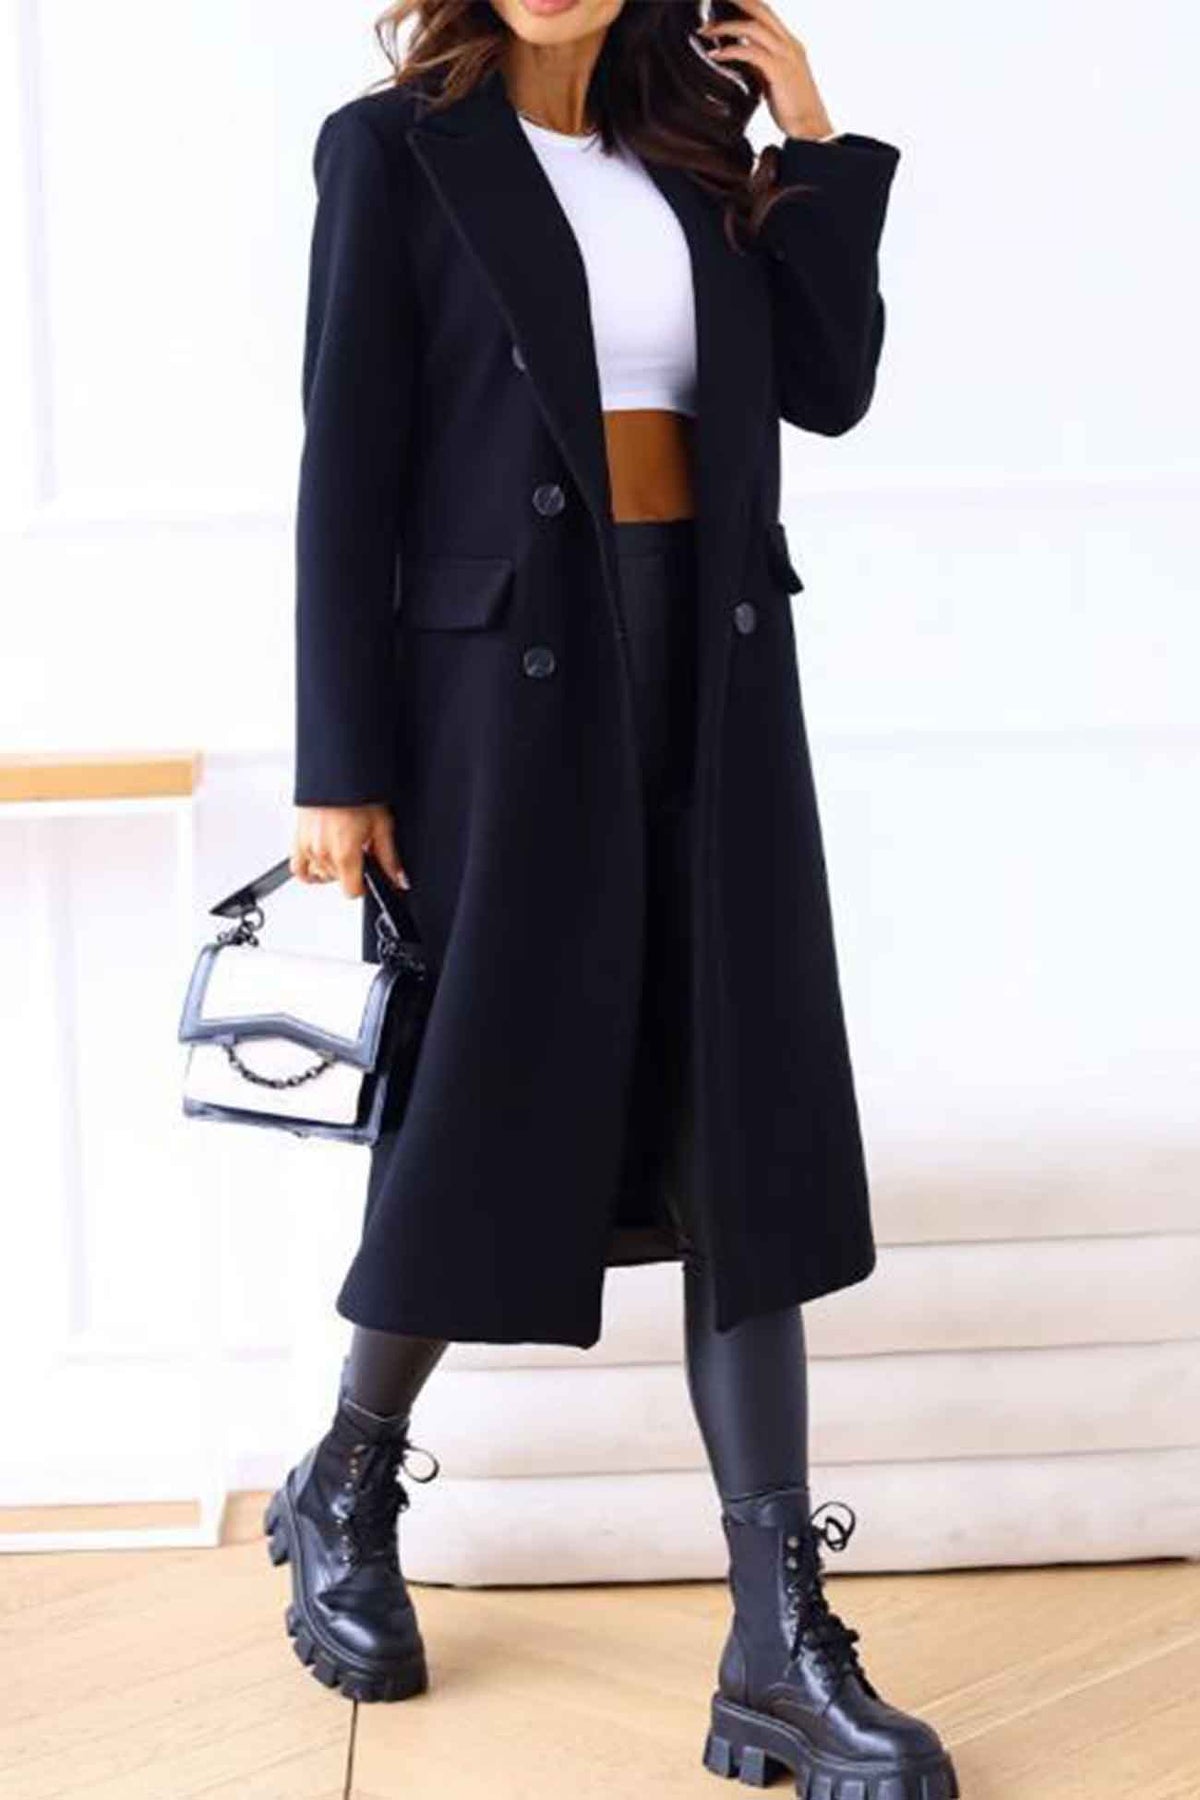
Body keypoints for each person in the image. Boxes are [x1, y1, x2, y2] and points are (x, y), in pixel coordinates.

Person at [265, 2, 958, 1794]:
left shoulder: (695, 154)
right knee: (486, 1110)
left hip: (714, 677)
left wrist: (814, 147)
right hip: (499, 701)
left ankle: (776, 1644)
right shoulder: (394, 151)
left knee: (746, 1124)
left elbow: (827, 381)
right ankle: (346, 1478)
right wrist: (341, 763)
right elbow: (346, 463)